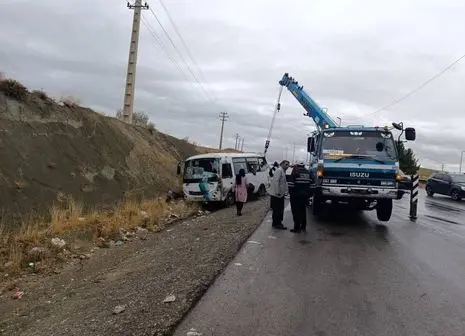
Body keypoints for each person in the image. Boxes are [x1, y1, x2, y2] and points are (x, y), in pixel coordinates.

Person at [289, 161, 311, 233]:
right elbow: (313, 185)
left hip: (296, 196)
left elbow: (291, 184)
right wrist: (308, 194)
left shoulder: (295, 171)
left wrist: (291, 194)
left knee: (296, 212)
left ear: (297, 165)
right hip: (305, 196)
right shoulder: (308, 172)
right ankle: (303, 226)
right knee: (303, 211)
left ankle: (297, 228)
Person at [269, 160, 290, 229]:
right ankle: (277, 223)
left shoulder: (283, 171)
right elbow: (276, 181)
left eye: (288, 165)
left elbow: (284, 183)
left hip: (280, 194)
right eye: (286, 164)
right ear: (282, 164)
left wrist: (286, 191)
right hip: (277, 195)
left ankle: (277, 223)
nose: (287, 166)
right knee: (277, 209)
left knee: (280, 209)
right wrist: (277, 192)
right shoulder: (279, 171)